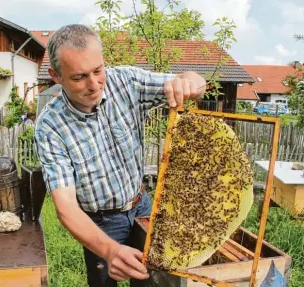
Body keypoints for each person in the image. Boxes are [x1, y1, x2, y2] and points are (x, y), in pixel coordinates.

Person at [34, 24, 206, 287]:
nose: (94, 85)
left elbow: (192, 80)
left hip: (142, 206)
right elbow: (66, 206)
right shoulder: (50, 126)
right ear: (56, 75)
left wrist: (190, 83)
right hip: (98, 223)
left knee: (153, 282)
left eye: (98, 71)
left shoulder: (126, 82)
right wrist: (111, 251)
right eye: (79, 77)